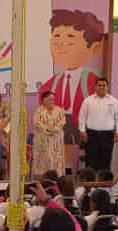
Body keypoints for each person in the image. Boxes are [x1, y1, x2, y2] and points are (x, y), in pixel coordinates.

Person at [38, 10, 104, 153]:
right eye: (56, 37)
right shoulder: (49, 85)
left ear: (92, 49)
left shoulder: (93, 81)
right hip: (60, 122)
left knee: (84, 148)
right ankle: (66, 171)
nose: (61, 46)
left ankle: (82, 170)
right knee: (64, 147)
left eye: (70, 39)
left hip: (83, 121)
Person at [79, 78, 118, 170]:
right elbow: (82, 117)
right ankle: (89, 183)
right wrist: (82, 131)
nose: (101, 87)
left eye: (104, 85)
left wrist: (117, 132)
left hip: (107, 135)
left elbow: (117, 118)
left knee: (105, 160)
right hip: (91, 135)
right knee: (90, 161)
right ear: (95, 87)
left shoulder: (114, 101)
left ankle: (103, 183)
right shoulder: (88, 101)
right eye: (99, 85)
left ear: (107, 87)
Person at [33, 91, 66, 176]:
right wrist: (47, 129)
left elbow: (63, 121)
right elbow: (37, 122)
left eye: (53, 99)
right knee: (44, 158)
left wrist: (54, 129)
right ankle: (43, 176)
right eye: (49, 99)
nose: (52, 101)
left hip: (56, 140)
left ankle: (56, 175)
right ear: (43, 100)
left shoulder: (59, 110)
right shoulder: (39, 111)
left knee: (56, 158)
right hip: (43, 140)